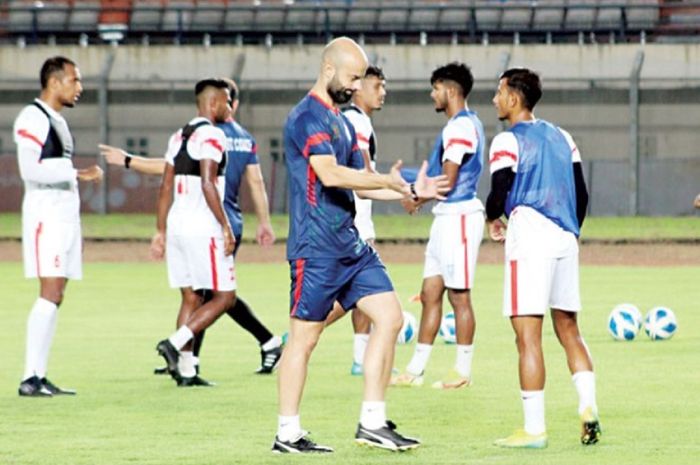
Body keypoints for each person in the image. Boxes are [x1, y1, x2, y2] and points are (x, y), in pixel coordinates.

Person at [272, 37, 449, 454]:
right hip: (315, 249)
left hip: (352, 246)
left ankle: (372, 422)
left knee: (389, 317)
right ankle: (287, 433)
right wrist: (386, 181)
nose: (355, 86)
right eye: (352, 77)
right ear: (329, 70)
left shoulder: (343, 123)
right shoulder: (306, 118)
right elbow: (331, 176)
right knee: (304, 341)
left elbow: (366, 184)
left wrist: (409, 191)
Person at [99, 78, 283, 376]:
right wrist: (262, 221)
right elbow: (254, 181)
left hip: (194, 221)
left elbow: (168, 174)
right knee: (217, 295)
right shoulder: (241, 138)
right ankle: (189, 355)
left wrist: (130, 162)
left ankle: (189, 360)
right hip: (219, 219)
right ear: (226, 104)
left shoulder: (188, 135)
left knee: (206, 294)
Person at [485, 68, 600, 448]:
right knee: (569, 328)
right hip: (566, 238)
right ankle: (588, 407)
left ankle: (534, 430)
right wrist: (571, 231)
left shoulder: (506, 140)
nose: (495, 99)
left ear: (514, 99)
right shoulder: (563, 137)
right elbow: (581, 196)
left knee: (527, 337)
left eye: (499, 92)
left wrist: (492, 220)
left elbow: (499, 191)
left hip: (530, 236)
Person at [14, 56, 103, 397]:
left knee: (57, 295)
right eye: (74, 80)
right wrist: (77, 173)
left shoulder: (58, 121)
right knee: (49, 292)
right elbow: (29, 169)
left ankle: (39, 374)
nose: (79, 87)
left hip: (63, 216)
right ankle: (29, 377)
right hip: (45, 214)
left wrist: (76, 227)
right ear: (54, 82)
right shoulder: (32, 117)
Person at [393, 62, 485, 390]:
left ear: (449, 89)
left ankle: (462, 372)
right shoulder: (460, 124)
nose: (432, 95)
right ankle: (416, 369)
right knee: (431, 293)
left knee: (459, 296)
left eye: (435, 88)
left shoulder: (460, 127)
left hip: (459, 217)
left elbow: (448, 179)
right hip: (447, 217)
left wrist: (415, 197)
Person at [151, 78, 237, 387]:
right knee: (225, 297)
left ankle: (186, 371)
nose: (230, 107)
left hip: (177, 225)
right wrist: (226, 226)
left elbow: (165, 185)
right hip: (203, 227)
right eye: (227, 101)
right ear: (213, 103)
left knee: (192, 296)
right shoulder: (213, 135)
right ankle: (174, 344)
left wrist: (160, 230)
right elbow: (208, 182)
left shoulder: (178, 136)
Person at [324, 65, 387, 376]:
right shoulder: (355, 121)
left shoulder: (358, 121)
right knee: (363, 291)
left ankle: (359, 359)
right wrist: (399, 187)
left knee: (358, 292)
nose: (383, 92)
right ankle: (305, 329)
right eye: (377, 86)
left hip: (359, 220)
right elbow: (362, 175)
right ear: (358, 87)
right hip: (356, 222)